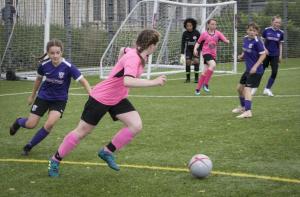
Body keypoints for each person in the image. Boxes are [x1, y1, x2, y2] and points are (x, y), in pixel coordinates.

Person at [48, 29, 166, 177]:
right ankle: (55, 160)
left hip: (118, 98)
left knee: (136, 125)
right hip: (101, 98)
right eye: (156, 44)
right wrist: (154, 82)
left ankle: (107, 152)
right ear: (150, 45)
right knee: (82, 132)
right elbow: (128, 80)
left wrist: (121, 55)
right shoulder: (133, 59)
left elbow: (124, 49)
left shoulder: (140, 54)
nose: (156, 47)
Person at [9, 39, 92, 155]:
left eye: (58, 52)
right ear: (48, 53)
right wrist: (32, 96)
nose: (55, 55)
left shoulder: (68, 67)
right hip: (43, 97)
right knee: (31, 124)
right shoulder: (43, 66)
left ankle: (29, 146)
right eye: (52, 53)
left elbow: (83, 81)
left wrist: (91, 95)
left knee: (50, 124)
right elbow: (38, 80)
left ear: (61, 52)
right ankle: (18, 122)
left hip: (59, 100)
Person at [232, 23, 266, 118]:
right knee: (239, 88)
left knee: (247, 89)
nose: (252, 32)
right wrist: (242, 56)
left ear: (257, 32)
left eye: (254, 31)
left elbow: (263, 55)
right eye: (250, 30)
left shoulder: (257, 42)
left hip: (256, 70)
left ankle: (248, 111)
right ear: (247, 30)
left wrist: (255, 67)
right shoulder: (245, 38)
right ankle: (243, 107)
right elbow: (245, 50)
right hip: (248, 70)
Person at [193, 19, 230, 95]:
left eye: (215, 24)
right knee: (213, 65)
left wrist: (227, 41)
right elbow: (198, 42)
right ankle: (205, 84)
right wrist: (195, 49)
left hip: (213, 55)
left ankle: (197, 89)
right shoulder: (204, 34)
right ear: (208, 25)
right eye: (212, 24)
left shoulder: (218, 33)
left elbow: (225, 40)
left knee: (204, 72)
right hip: (206, 53)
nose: (214, 26)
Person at [251, 15, 284, 96]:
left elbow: (280, 44)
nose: (277, 24)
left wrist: (280, 55)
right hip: (265, 55)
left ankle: (267, 89)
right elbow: (261, 40)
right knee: (260, 72)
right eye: (276, 22)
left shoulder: (281, 33)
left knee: (274, 72)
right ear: (272, 22)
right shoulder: (266, 30)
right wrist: (264, 49)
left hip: (275, 55)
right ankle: (254, 89)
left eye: (279, 22)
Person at [180, 18, 200, 83]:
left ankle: (196, 78)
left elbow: (201, 42)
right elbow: (183, 44)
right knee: (188, 62)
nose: (188, 27)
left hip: (196, 50)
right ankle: (188, 79)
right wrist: (182, 54)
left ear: (193, 25)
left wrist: (199, 50)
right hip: (188, 50)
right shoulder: (185, 33)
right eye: (187, 26)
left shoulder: (197, 33)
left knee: (196, 61)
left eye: (190, 26)